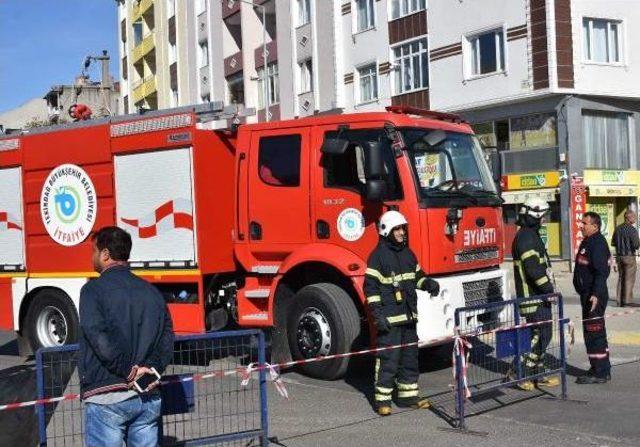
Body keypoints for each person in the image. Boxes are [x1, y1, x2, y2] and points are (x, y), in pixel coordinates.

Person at [79, 226, 174, 446]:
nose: (92, 257)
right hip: (147, 396)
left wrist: (130, 372)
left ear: (105, 254)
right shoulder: (151, 291)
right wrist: (152, 369)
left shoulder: (93, 291)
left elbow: (99, 337)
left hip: (108, 397)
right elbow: (167, 336)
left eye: (94, 251)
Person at [364, 210, 440, 416]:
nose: (401, 233)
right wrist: (378, 316)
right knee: (388, 360)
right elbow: (371, 290)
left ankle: (408, 397)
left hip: (408, 318)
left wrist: (428, 284)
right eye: (397, 229)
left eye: (402, 229)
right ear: (387, 231)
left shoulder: (407, 254)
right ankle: (382, 401)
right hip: (389, 321)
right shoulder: (377, 257)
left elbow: (417, 277)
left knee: (410, 359)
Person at [511, 197, 559, 391]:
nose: (544, 220)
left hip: (538, 297)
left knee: (540, 334)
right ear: (534, 216)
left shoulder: (530, 234)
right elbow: (533, 270)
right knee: (542, 335)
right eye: (543, 216)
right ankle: (520, 371)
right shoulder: (526, 238)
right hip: (533, 297)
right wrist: (548, 290)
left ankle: (536, 372)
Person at [573, 212, 612, 384]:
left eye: (584, 223)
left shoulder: (597, 243)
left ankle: (600, 372)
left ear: (594, 226)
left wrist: (595, 294)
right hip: (587, 295)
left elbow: (601, 272)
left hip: (594, 296)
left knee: (594, 332)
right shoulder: (588, 241)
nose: (581, 225)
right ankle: (598, 367)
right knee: (591, 332)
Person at [611, 210, 639, 307]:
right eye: (633, 217)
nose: (635, 218)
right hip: (629, 257)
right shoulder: (632, 230)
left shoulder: (618, 229)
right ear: (628, 218)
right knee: (629, 279)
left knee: (621, 277)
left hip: (619, 257)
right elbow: (636, 245)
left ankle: (619, 301)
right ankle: (627, 301)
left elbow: (613, 243)